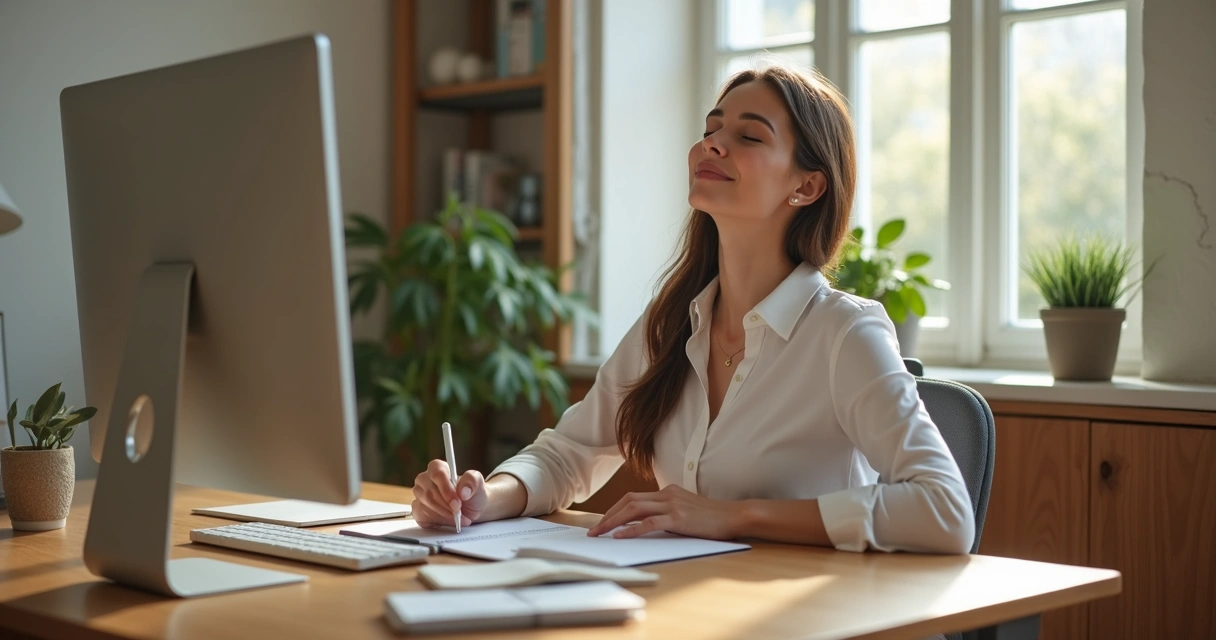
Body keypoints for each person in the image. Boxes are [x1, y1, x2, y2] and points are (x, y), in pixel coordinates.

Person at [410, 65, 974, 554]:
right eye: (710, 129)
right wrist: (484, 499)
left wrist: (733, 516)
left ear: (806, 187)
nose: (713, 144)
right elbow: (569, 454)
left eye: (749, 137)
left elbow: (946, 511)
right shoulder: (672, 321)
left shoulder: (844, 333)